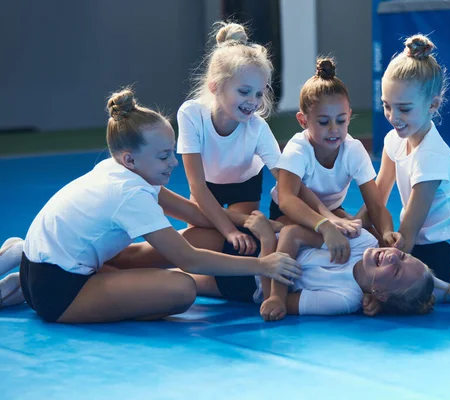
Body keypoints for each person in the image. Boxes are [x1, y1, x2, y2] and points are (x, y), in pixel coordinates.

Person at [0, 88, 300, 323]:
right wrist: (263, 264)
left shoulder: (118, 168)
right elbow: (190, 260)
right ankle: (27, 288)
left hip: (47, 263)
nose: (173, 163)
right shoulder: (129, 194)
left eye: (172, 152)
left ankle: (25, 261)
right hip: (58, 292)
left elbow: (195, 213)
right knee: (180, 290)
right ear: (131, 158)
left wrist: (254, 223)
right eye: (163, 157)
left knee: (206, 233)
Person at [184, 212, 450, 322]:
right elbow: (293, 233)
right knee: (179, 243)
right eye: (402, 256)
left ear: (379, 294)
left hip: (246, 283)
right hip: (253, 244)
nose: (392, 256)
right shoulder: (363, 241)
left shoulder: (344, 299)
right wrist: (266, 245)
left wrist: (274, 291)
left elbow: (279, 300)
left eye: (396, 269)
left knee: (186, 281)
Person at [359, 34, 450, 284]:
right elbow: (377, 197)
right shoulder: (394, 140)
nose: (393, 116)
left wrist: (382, 259)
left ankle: (445, 291)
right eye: (387, 106)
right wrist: (353, 229)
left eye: (404, 108)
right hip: (413, 237)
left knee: (390, 287)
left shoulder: (430, 157)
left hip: (437, 244)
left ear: (433, 105)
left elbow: (408, 234)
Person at [271, 57, 402, 266]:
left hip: (332, 212)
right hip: (290, 215)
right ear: (303, 120)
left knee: (377, 243)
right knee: (299, 234)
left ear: (349, 116)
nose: (334, 129)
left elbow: (375, 205)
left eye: (341, 120)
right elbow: (287, 200)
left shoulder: (353, 150)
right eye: (324, 122)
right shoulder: (297, 150)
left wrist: (387, 233)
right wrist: (325, 225)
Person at [176, 21, 281, 256]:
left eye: (259, 93)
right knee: (198, 240)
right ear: (215, 87)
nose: (253, 101)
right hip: (206, 187)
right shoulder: (191, 114)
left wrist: (320, 216)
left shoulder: (257, 128)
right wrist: (228, 231)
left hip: (244, 186)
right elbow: (197, 185)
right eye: (244, 92)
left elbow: (285, 176)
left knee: (240, 245)